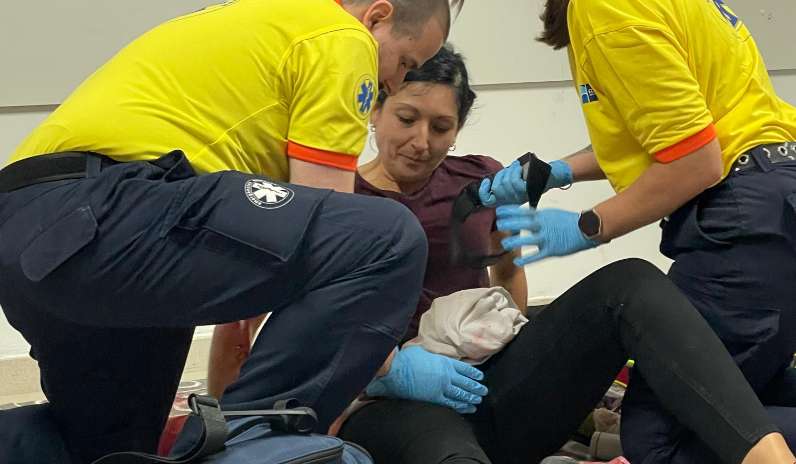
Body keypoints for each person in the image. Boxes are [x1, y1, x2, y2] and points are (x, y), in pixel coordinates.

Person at [208, 46, 795, 464]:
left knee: (631, 283)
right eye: (407, 118)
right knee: (451, 454)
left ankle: (766, 455)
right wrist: (238, 428)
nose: (421, 141)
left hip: (494, 388)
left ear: (459, 128)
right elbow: (247, 326)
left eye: (442, 126)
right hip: (391, 403)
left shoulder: (476, 182)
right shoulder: (334, 196)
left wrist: (523, 331)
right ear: (376, 109)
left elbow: (507, 274)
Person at [0, 0, 460, 462]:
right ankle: (248, 448)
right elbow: (343, 227)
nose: (396, 83)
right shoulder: (340, 34)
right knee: (387, 238)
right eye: (406, 63)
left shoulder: (261, 26)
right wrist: (387, 363)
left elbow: (272, 265)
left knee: (107, 446)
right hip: (111, 209)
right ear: (377, 17)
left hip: (33, 237)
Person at [480, 0, 796, 462]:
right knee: (746, 396)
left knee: (659, 440)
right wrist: (559, 171)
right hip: (776, 197)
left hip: (744, 221)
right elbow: (662, 129)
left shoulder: (601, 8)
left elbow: (697, 160)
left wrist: (587, 226)